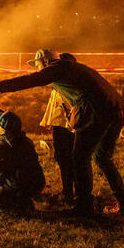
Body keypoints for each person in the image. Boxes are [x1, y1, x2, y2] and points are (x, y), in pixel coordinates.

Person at [0, 49, 124, 219]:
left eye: (38, 65)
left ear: (46, 62)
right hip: (117, 110)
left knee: (79, 158)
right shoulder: (73, 68)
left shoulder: (58, 67)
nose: (38, 69)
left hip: (97, 111)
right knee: (102, 158)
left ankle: (84, 207)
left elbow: (31, 80)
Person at [0, 111, 45, 213]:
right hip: (36, 185)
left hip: (17, 186)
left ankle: (14, 205)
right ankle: (23, 199)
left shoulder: (2, 147)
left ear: (2, 128)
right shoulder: (27, 142)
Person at [40, 51, 76, 205]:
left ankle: (72, 194)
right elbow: (55, 103)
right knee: (62, 159)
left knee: (72, 160)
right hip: (60, 124)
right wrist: (50, 121)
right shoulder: (59, 82)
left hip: (70, 127)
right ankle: (68, 192)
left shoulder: (70, 83)